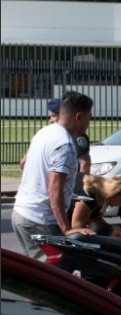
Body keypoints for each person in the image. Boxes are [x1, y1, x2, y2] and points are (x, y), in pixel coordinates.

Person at [12, 90, 95, 260]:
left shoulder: (45, 132)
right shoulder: (64, 144)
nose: (89, 123)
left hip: (22, 213)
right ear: (79, 116)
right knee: (55, 277)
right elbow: (54, 188)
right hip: (40, 221)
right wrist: (66, 229)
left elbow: (25, 165)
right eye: (88, 117)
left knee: (35, 276)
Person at [19, 98, 92, 173]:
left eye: (53, 116)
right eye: (50, 117)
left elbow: (23, 163)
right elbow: (85, 164)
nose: (50, 120)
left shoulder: (42, 134)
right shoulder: (70, 134)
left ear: (63, 116)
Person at [69, 174, 121, 238]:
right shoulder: (91, 194)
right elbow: (77, 227)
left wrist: (111, 228)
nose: (120, 205)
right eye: (120, 200)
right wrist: (110, 232)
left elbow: (95, 219)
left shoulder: (102, 192)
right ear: (113, 192)